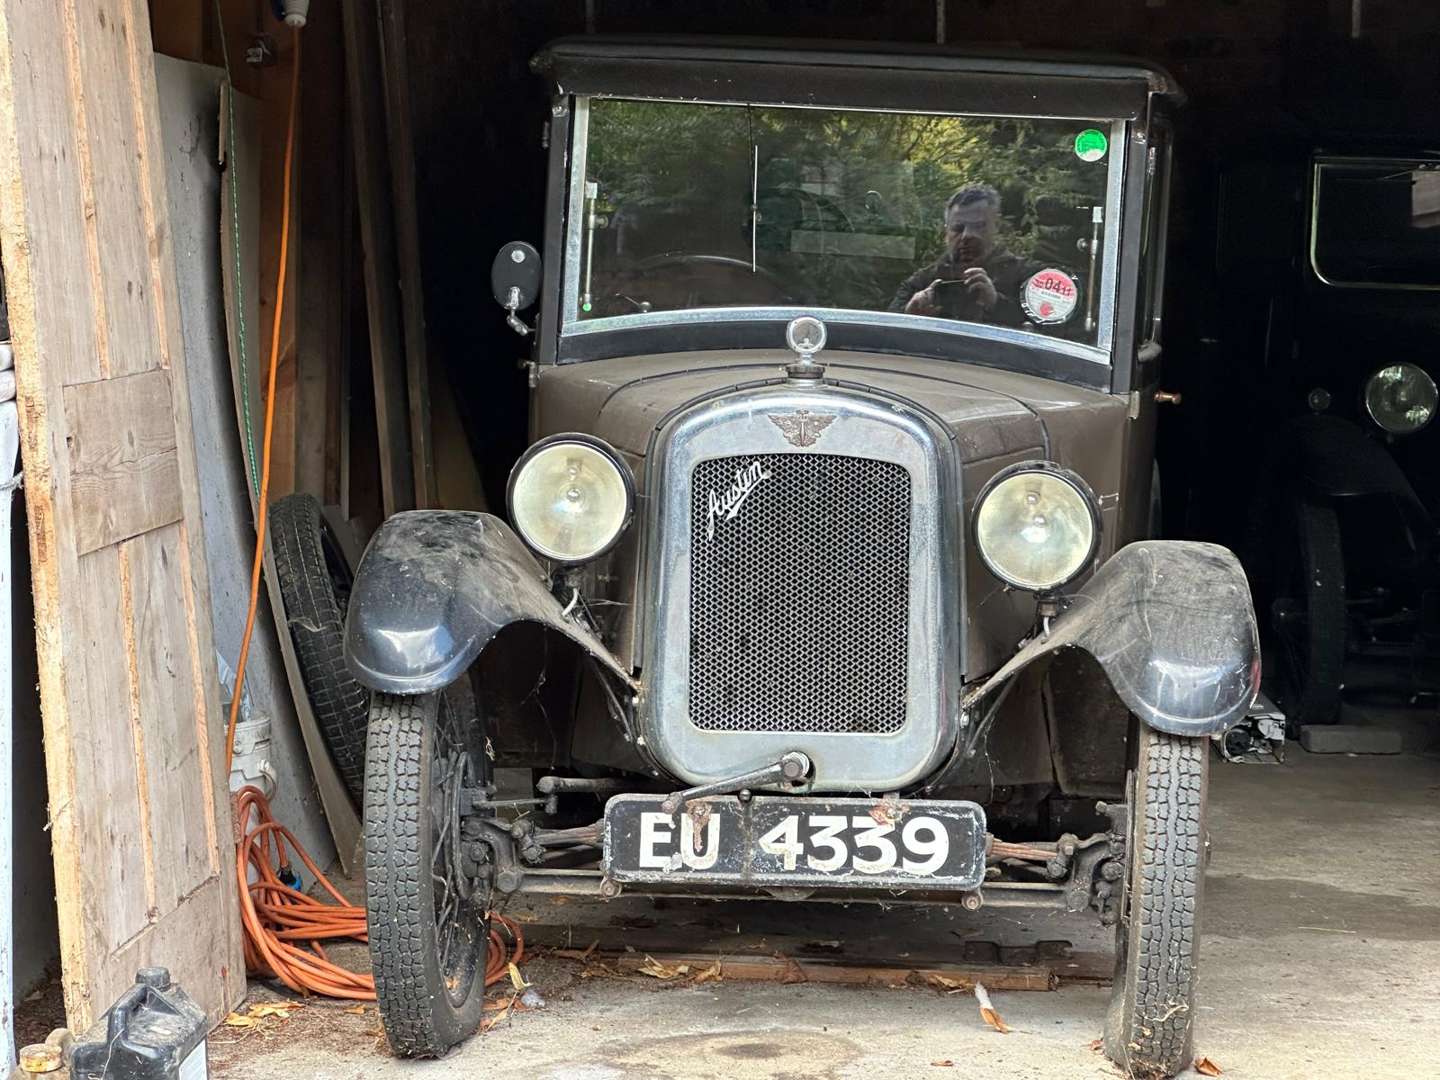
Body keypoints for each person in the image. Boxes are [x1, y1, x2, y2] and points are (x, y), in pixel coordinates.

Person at [889, 184, 1041, 328]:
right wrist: (909, 314)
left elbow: (1049, 333)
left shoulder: (1027, 280)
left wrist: (996, 303)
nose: (967, 236)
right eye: (958, 228)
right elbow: (887, 329)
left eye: (979, 226)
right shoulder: (923, 281)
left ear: (997, 228)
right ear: (946, 233)